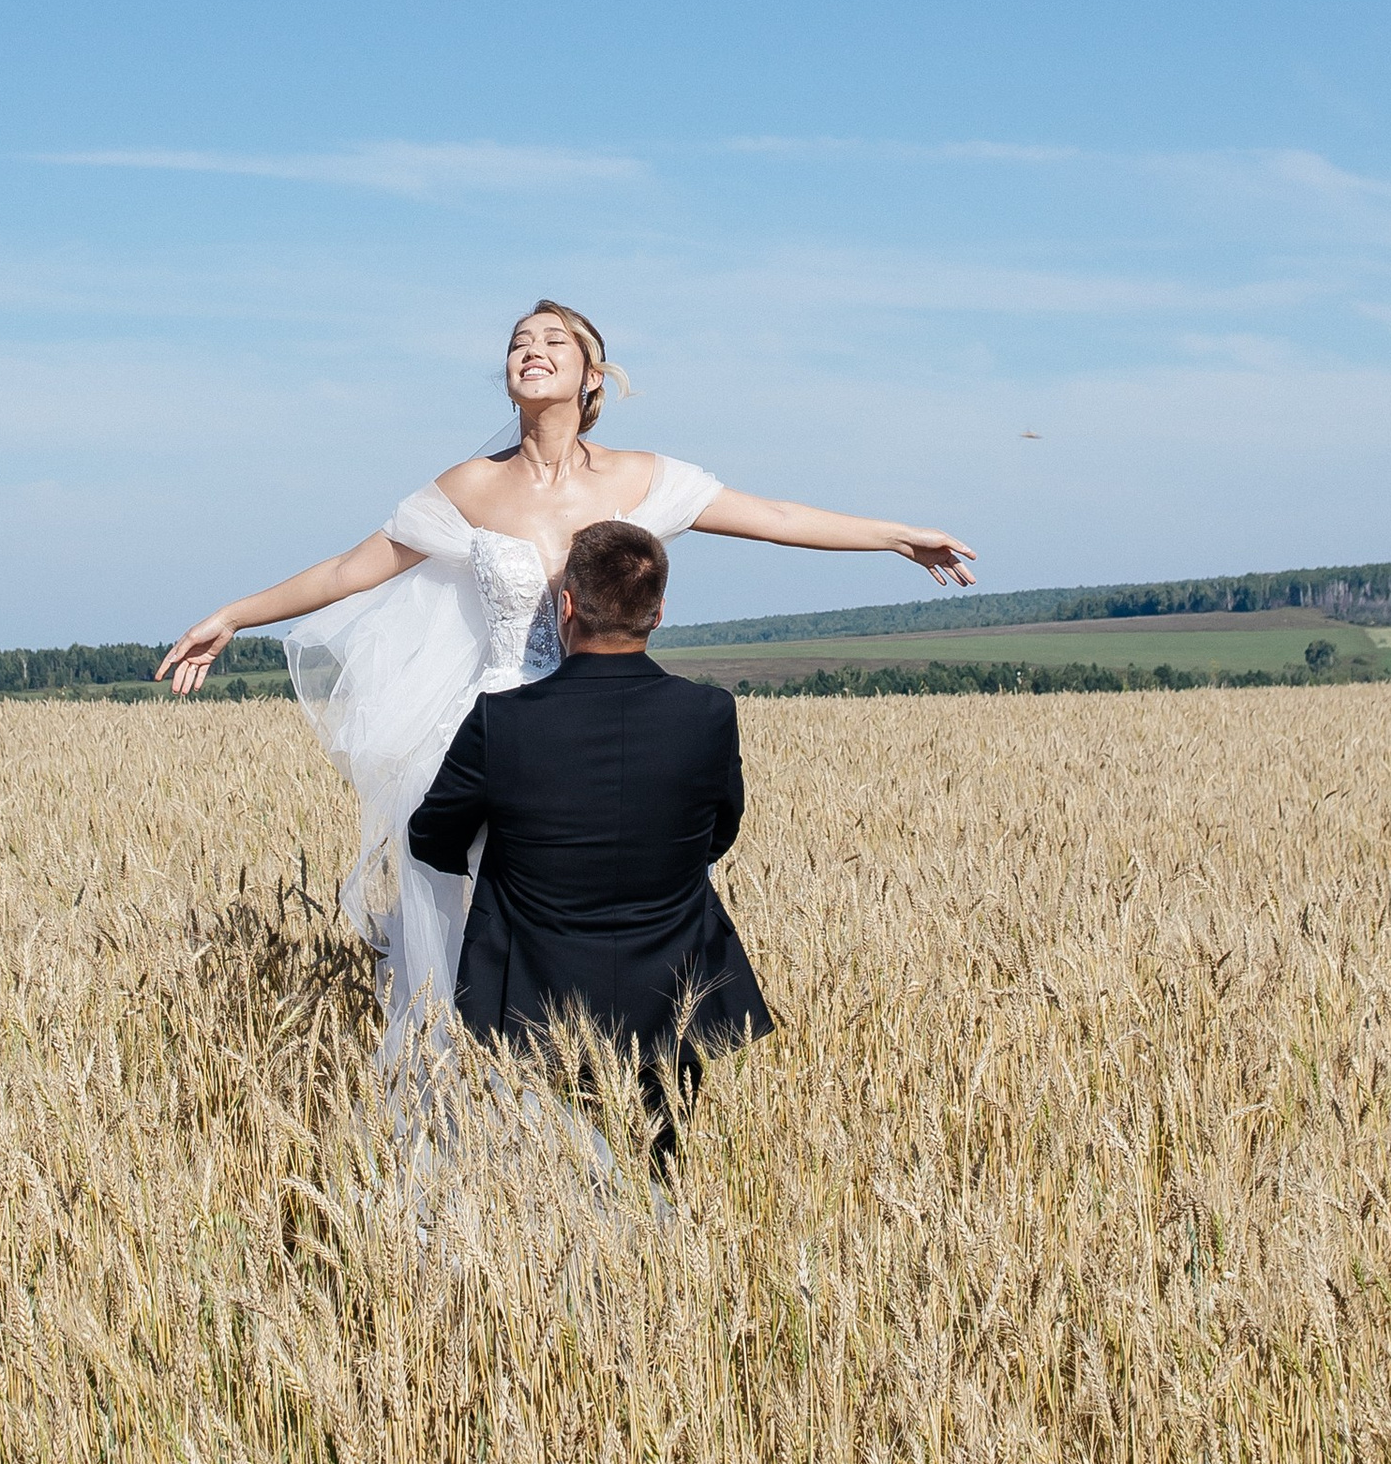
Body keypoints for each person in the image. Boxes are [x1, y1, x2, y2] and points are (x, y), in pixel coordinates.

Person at [155, 297, 974, 1059]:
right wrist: (234, 615)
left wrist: (895, 536)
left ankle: (619, 1078)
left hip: (606, 737)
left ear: (592, 377)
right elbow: (348, 569)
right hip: (496, 737)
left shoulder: (640, 478)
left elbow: (778, 518)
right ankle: (486, 1097)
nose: (532, 350)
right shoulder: (470, 486)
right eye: (519, 341)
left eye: (554, 341)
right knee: (481, 933)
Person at [407, 515, 766, 1170]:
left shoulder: (501, 721)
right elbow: (720, 832)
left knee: (545, 1190)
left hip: (531, 1002)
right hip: (673, 997)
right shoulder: (709, 714)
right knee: (661, 1179)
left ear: (566, 607)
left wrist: (507, 860)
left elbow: (431, 838)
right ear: (658, 613)